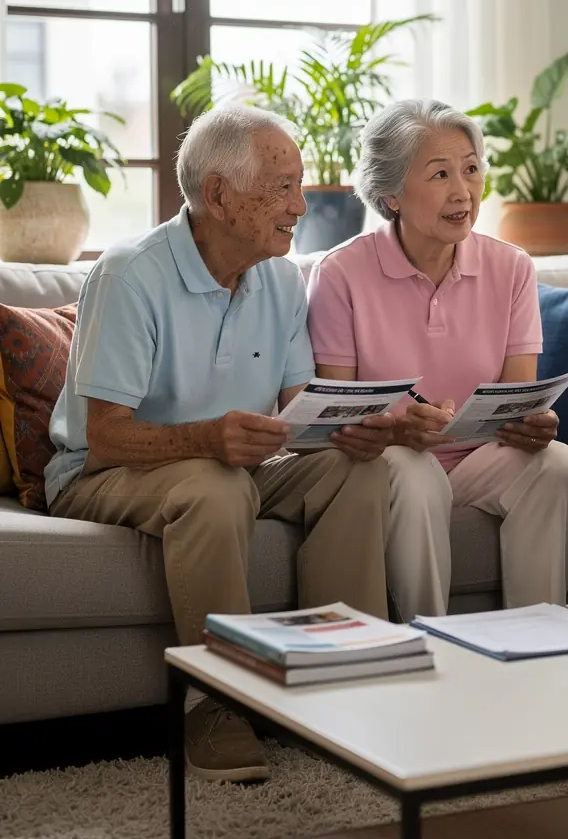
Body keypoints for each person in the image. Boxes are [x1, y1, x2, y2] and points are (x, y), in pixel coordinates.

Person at [45, 106, 393, 784]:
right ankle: (218, 703)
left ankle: (336, 677)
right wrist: (208, 438)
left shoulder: (282, 278)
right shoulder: (129, 275)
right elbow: (104, 434)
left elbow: (298, 409)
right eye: (283, 186)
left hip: (233, 463)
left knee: (358, 472)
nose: (300, 204)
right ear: (220, 196)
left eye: (298, 185)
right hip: (102, 472)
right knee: (214, 483)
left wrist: (359, 425)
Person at [306, 98, 568, 621]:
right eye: (440, 174)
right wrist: (395, 431)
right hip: (389, 463)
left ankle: (540, 643)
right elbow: (334, 420)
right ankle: (428, 642)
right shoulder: (340, 273)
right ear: (390, 194)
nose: (463, 191)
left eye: (472, 169)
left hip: (480, 458)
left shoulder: (512, 268)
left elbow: (516, 396)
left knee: (556, 465)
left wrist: (534, 423)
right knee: (416, 473)